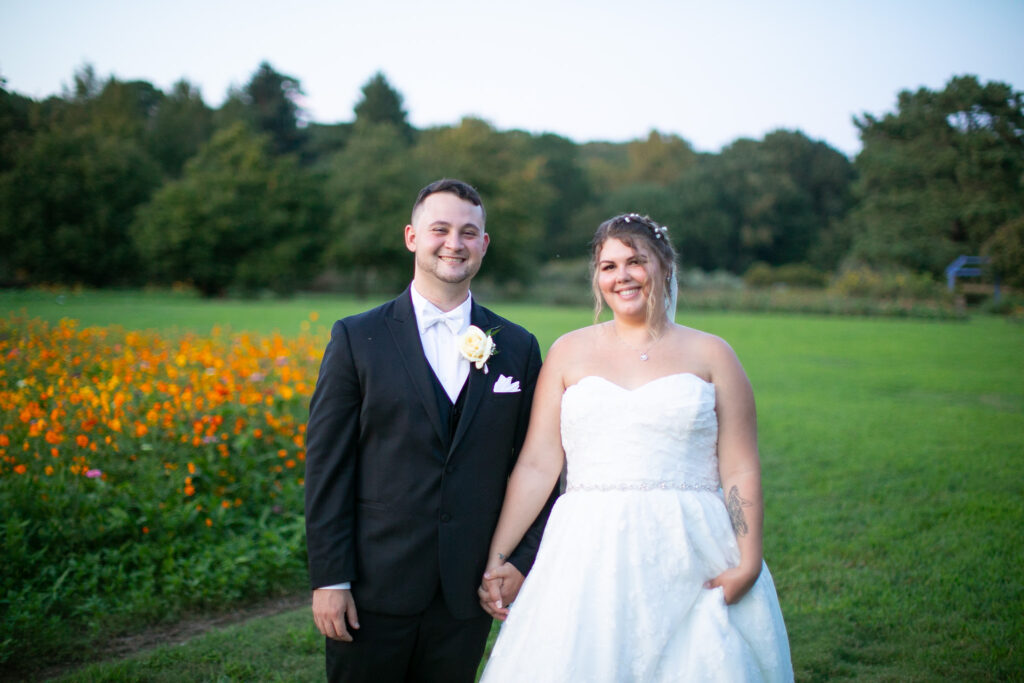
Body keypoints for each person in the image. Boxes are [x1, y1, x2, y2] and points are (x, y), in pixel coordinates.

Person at [478, 213, 794, 681]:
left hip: (694, 550)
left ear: (665, 266)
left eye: (635, 261)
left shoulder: (713, 354)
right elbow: (538, 464)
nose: (621, 276)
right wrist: (498, 558)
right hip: (588, 549)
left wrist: (748, 561)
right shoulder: (568, 351)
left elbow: (739, 467)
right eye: (608, 266)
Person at [304, 178, 556, 682]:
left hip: (468, 589)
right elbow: (327, 467)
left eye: (468, 232)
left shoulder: (519, 348)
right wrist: (331, 578)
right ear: (411, 237)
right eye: (439, 229)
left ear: (484, 244)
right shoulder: (357, 337)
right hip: (373, 584)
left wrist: (519, 561)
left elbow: (541, 464)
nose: (454, 243)